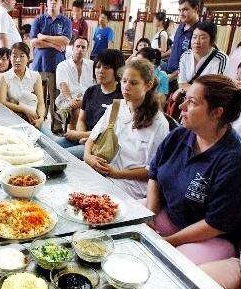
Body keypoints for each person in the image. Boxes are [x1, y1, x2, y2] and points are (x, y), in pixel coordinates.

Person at [146, 74, 241, 266]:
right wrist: (149, 215)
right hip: (168, 216)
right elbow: (154, 175)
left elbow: (215, 223)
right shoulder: (179, 135)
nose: (181, 107)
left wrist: (166, 242)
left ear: (216, 113)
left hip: (209, 237)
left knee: (164, 266)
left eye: (191, 102)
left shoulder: (233, 159)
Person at [84, 59, 169, 199]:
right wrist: (88, 157)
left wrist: (116, 173)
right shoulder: (115, 108)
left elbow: (152, 170)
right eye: (124, 81)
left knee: (92, 198)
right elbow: (91, 139)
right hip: (104, 171)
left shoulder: (159, 123)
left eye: (133, 83)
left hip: (132, 183)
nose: (126, 87)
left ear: (147, 85)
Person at [43, 49, 125, 160]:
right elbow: (81, 119)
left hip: (100, 144)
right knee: (49, 147)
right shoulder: (91, 91)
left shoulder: (121, 97)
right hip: (84, 139)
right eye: (98, 66)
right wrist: (81, 136)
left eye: (106, 67)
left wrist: (80, 135)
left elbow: (111, 131)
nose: (100, 71)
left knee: (58, 156)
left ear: (117, 71)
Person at [30, 0, 72, 134]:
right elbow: (34, 42)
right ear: (47, 2)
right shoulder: (39, 20)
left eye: (56, 0)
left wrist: (44, 37)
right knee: (37, 97)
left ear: (61, 3)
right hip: (39, 65)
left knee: (57, 98)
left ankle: (57, 128)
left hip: (58, 65)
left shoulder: (65, 21)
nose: (53, 2)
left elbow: (65, 40)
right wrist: (54, 44)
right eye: (50, 0)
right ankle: (36, 123)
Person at [172, 21, 228, 100]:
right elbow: (182, 84)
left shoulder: (221, 59)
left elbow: (215, 90)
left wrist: (187, 88)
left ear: (212, 40)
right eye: (194, 37)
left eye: (202, 37)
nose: (197, 41)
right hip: (188, 100)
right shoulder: (185, 56)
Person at [0, 42, 45, 128]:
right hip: (11, 117)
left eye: (22, 56)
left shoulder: (35, 76)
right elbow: (2, 102)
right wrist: (25, 109)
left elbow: (41, 102)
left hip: (33, 117)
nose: (17, 60)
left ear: (28, 58)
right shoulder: (4, 77)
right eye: (14, 56)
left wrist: (41, 118)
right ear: (10, 58)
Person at [55, 37, 95, 130]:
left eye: (83, 47)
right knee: (77, 110)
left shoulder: (92, 64)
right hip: (67, 99)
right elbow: (63, 84)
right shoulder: (63, 65)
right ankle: (76, 135)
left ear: (87, 50)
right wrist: (70, 100)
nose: (80, 49)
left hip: (87, 99)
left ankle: (74, 134)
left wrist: (83, 100)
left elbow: (97, 84)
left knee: (80, 108)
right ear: (72, 48)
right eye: (77, 46)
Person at [165, 0, 200, 93]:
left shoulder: (199, 31)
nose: (181, 14)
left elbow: (195, 61)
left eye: (185, 10)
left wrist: (174, 75)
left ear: (196, 9)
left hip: (183, 80)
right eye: (179, 10)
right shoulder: (180, 27)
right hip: (169, 74)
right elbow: (174, 48)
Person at [0, 0, 22, 70]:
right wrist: (7, 59)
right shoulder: (1, 13)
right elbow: (2, 37)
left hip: (1, 58)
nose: (15, 1)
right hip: (3, 60)